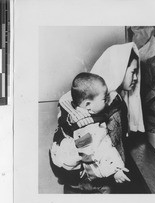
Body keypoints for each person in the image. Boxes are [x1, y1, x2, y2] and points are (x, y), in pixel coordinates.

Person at [57, 42, 145, 191]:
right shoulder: (111, 102)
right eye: (132, 72)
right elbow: (106, 144)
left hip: (82, 178)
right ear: (119, 69)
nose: (136, 77)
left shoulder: (85, 97)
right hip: (96, 182)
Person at [50, 73, 130, 193]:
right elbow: (103, 147)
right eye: (105, 99)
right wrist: (116, 170)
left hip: (61, 159)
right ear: (88, 104)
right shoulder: (90, 126)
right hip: (78, 171)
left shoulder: (69, 107)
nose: (108, 100)